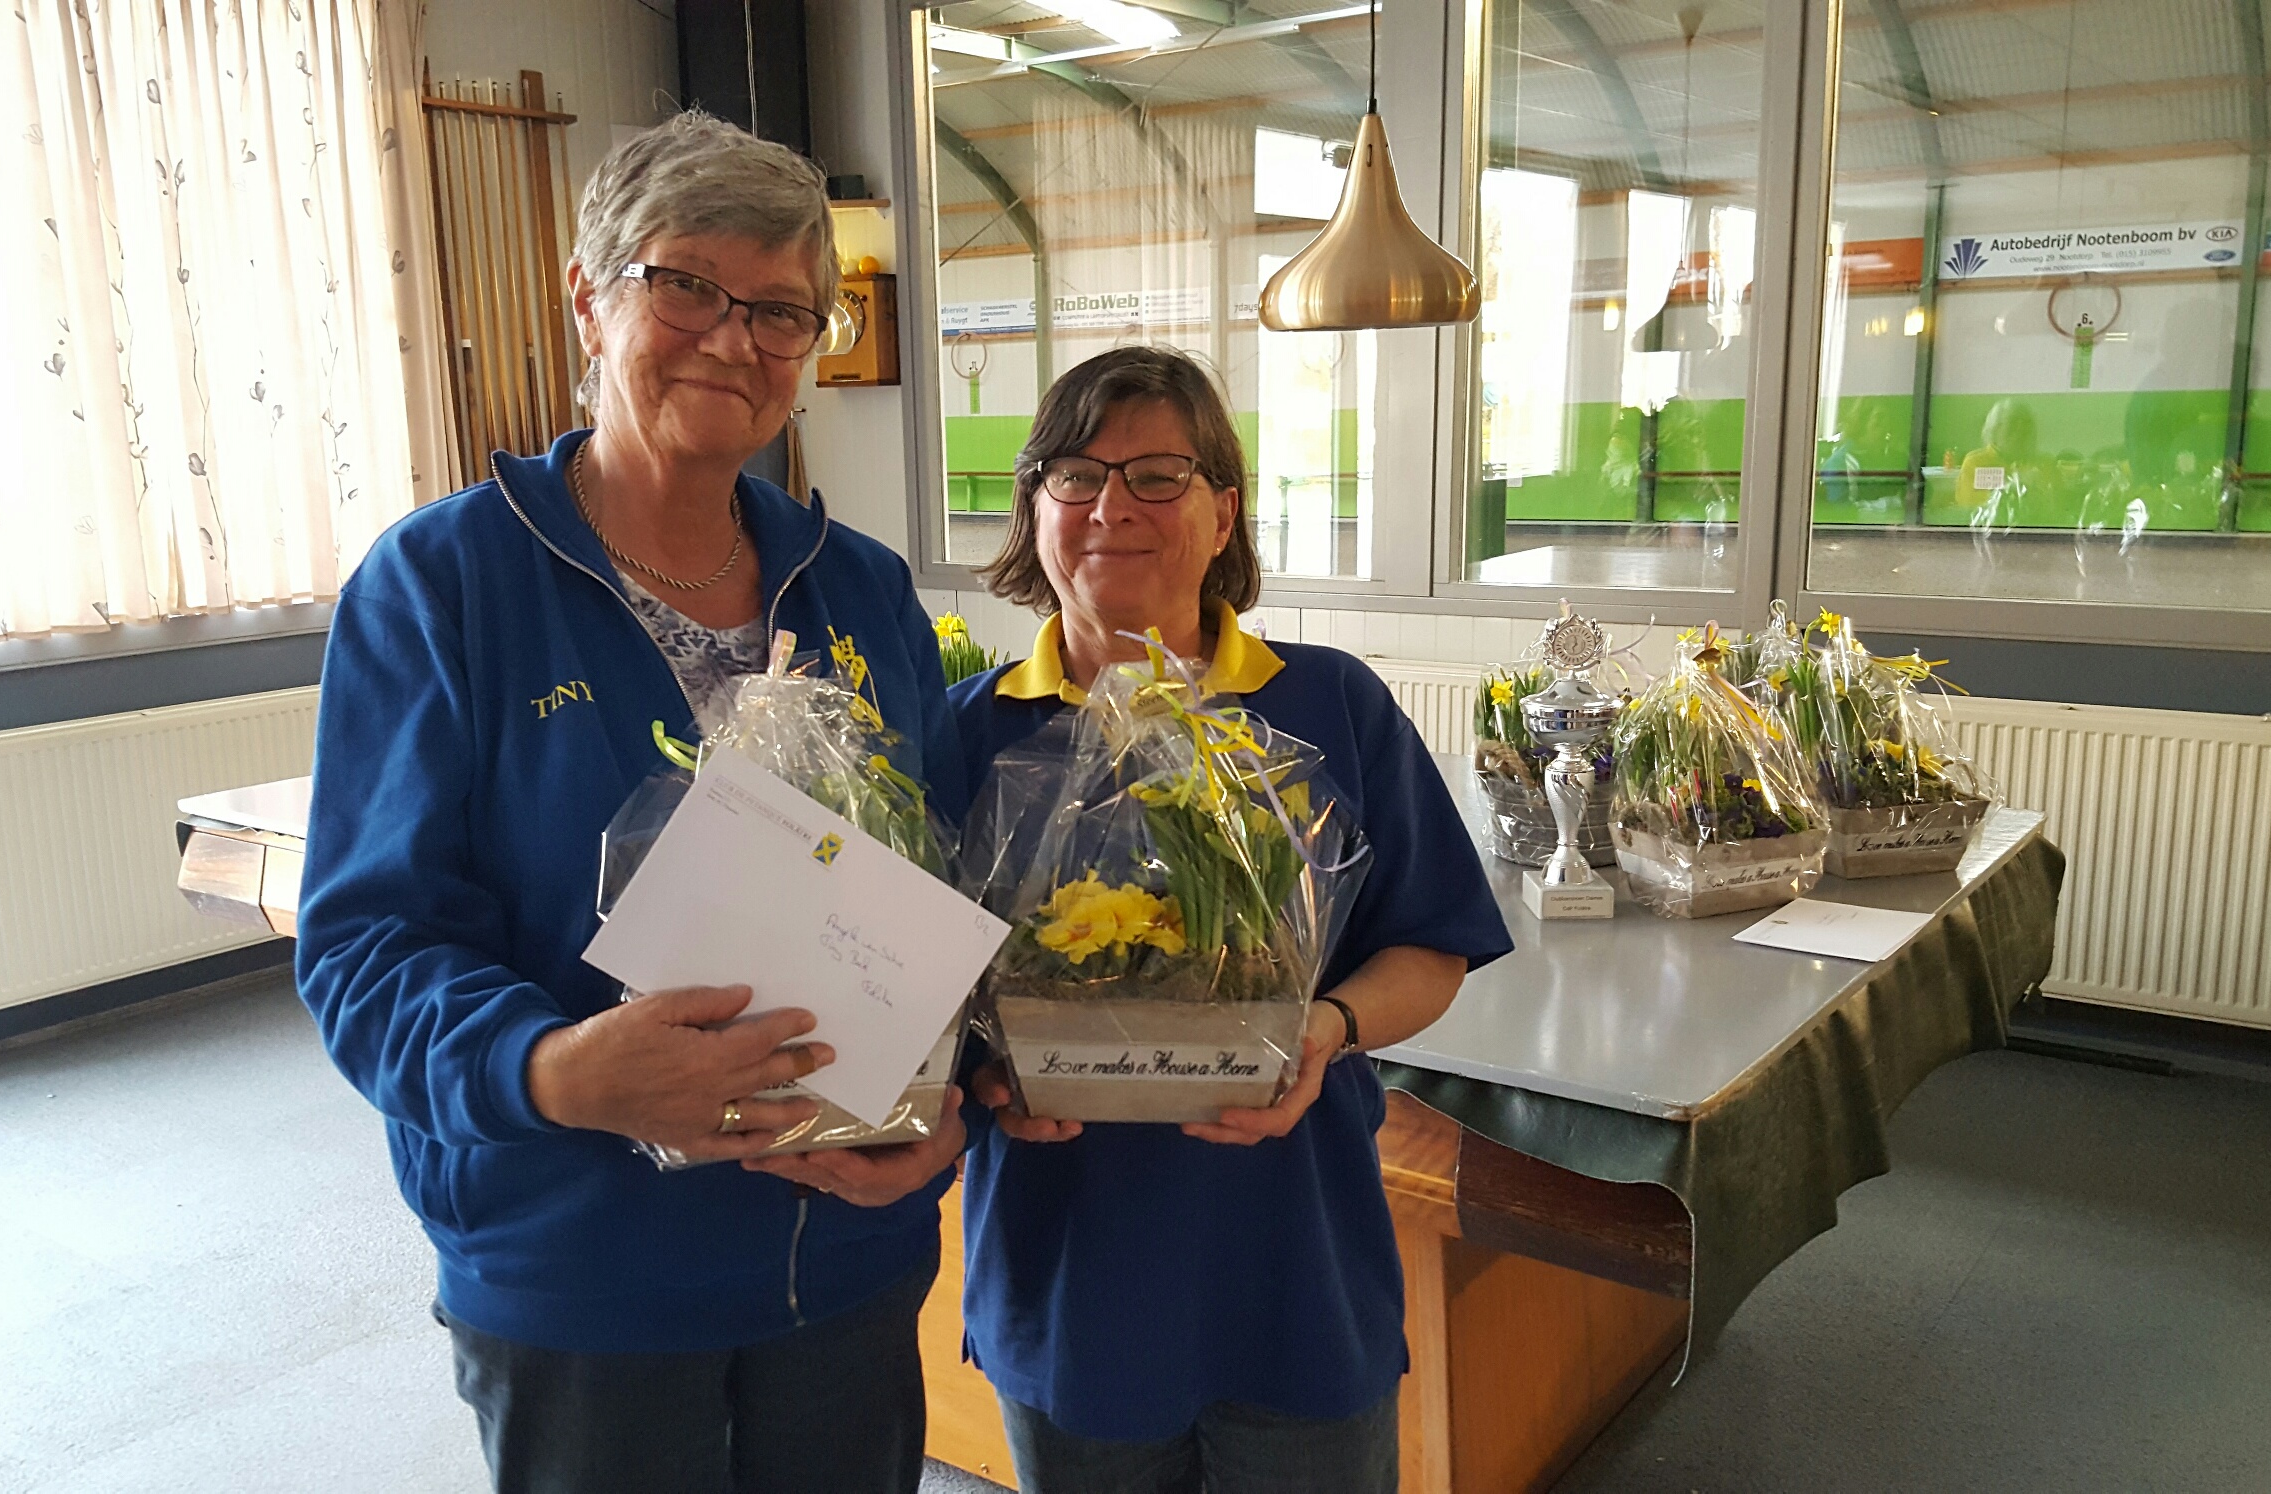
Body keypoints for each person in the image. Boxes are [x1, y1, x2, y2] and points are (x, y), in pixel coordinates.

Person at [294, 111, 966, 1494]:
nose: (734, 339)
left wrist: (949, 1117)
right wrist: (551, 1069)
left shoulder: (861, 587)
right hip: (587, 1269)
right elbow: (365, 949)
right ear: (589, 300)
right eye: (687, 287)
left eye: (781, 311)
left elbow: (945, 898)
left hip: (843, 1251)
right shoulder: (442, 586)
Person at [951, 346, 1514, 1494]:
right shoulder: (968, 731)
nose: (1111, 507)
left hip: (1293, 1269)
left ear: (1223, 512)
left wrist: (1326, 1027)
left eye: (1157, 475)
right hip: (1070, 1282)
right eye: (1073, 474)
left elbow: (1431, 946)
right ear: (1033, 508)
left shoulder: (1329, 703)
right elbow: (913, 994)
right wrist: (986, 1074)